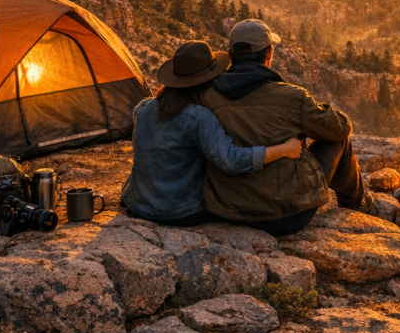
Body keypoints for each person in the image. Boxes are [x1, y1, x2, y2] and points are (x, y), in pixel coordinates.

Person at [200, 19, 372, 236]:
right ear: (269, 55)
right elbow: (340, 128)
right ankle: (357, 207)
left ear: (230, 56)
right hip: (287, 216)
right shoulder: (292, 97)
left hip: (226, 211)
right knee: (340, 141)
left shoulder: (206, 97)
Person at [121, 40, 303, 226]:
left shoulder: (143, 108)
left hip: (136, 203)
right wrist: (285, 149)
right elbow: (231, 160)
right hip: (180, 212)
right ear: (210, 78)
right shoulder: (198, 117)